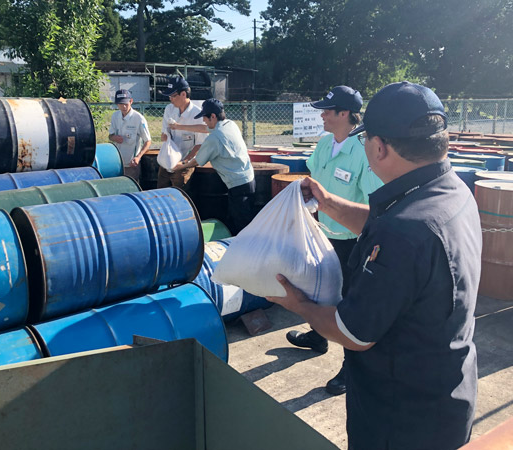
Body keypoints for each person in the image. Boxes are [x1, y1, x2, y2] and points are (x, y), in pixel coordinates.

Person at [267, 81, 481, 450]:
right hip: (445, 394)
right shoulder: (450, 190)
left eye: (366, 141)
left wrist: (296, 303)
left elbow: (353, 333)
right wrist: (330, 202)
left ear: (379, 147)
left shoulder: (405, 231)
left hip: (401, 421)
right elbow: (391, 226)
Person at [286, 85, 383, 396]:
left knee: (349, 304)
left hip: (351, 241)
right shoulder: (326, 143)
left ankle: (349, 366)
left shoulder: (363, 150)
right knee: (318, 290)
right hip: (323, 233)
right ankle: (318, 337)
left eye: (327, 111)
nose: (322, 116)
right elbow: (315, 176)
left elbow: (374, 198)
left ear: (345, 114)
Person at [172, 98, 255, 234]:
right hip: (249, 179)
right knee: (244, 220)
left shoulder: (215, 138)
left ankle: (246, 252)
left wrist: (180, 166)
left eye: (204, 117)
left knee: (242, 226)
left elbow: (197, 160)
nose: (203, 120)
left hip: (238, 186)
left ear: (213, 116)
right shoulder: (230, 124)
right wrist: (179, 127)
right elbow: (204, 128)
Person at [158, 77, 207, 191]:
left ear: (184, 94)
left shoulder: (198, 114)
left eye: (173, 96)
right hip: (168, 158)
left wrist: (184, 162)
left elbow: (200, 144)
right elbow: (165, 133)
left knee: (180, 191)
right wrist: (165, 136)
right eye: (169, 96)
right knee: (161, 189)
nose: (171, 99)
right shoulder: (169, 109)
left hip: (186, 159)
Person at [108, 89, 151, 182]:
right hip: (117, 162)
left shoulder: (139, 118)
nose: (123, 107)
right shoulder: (115, 116)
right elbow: (110, 136)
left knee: (130, 186)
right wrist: (114, 137)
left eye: (125, 104)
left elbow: (148, 141)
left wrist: (138, 157)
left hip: (131, 163)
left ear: (131, 101)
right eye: (120, 104)